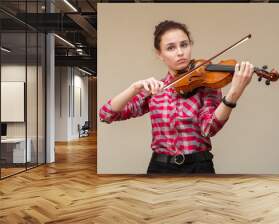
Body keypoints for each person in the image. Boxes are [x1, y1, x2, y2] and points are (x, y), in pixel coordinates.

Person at [99, 20, 254, 174]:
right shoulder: (155, 89)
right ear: (160, 54)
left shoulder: (206, 84)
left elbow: (208, 129)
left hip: (199, 167)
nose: (180, 52)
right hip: (160, 168)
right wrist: (134, 87)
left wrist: (233, 94)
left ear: (190, 45)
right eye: (171, 48)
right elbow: (106, 114)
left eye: (184, 45)